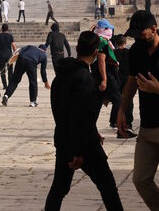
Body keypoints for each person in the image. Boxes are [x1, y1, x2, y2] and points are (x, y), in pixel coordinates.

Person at [44, 31, 124, 211]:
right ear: (96, 52)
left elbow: (64, 112)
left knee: (59, 189)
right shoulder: (85, 79)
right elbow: (80, 117)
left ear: (77, 49)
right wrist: (78, 152)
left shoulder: (60, 77)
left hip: (64, 139)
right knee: (108, 187)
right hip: (84, 144)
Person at [117, 10, 159, 208]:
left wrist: (157, 88)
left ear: (154, 29)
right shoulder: (135, 51)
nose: (137, 39)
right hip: (148, 126)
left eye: (140, 34)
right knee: (140, 179)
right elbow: (132, 82)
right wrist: (122, 110)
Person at [110, 34, 135, 138]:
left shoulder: (113, 53)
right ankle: (128, 122)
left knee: (117, 100)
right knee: (129, 100)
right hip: (128, 79)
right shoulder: (129, 52)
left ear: (116, 43)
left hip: (116, 79)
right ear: (125, 43)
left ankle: (113, 121)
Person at [0, 23, 16, 90]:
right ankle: (10, 85)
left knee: (2, 70)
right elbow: (14, 46)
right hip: (9, 55)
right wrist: (16, 53)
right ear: (7, 29)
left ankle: (5, 85)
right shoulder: (10, 36)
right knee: (10, 71)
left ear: (1, 29)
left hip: (1, 55)